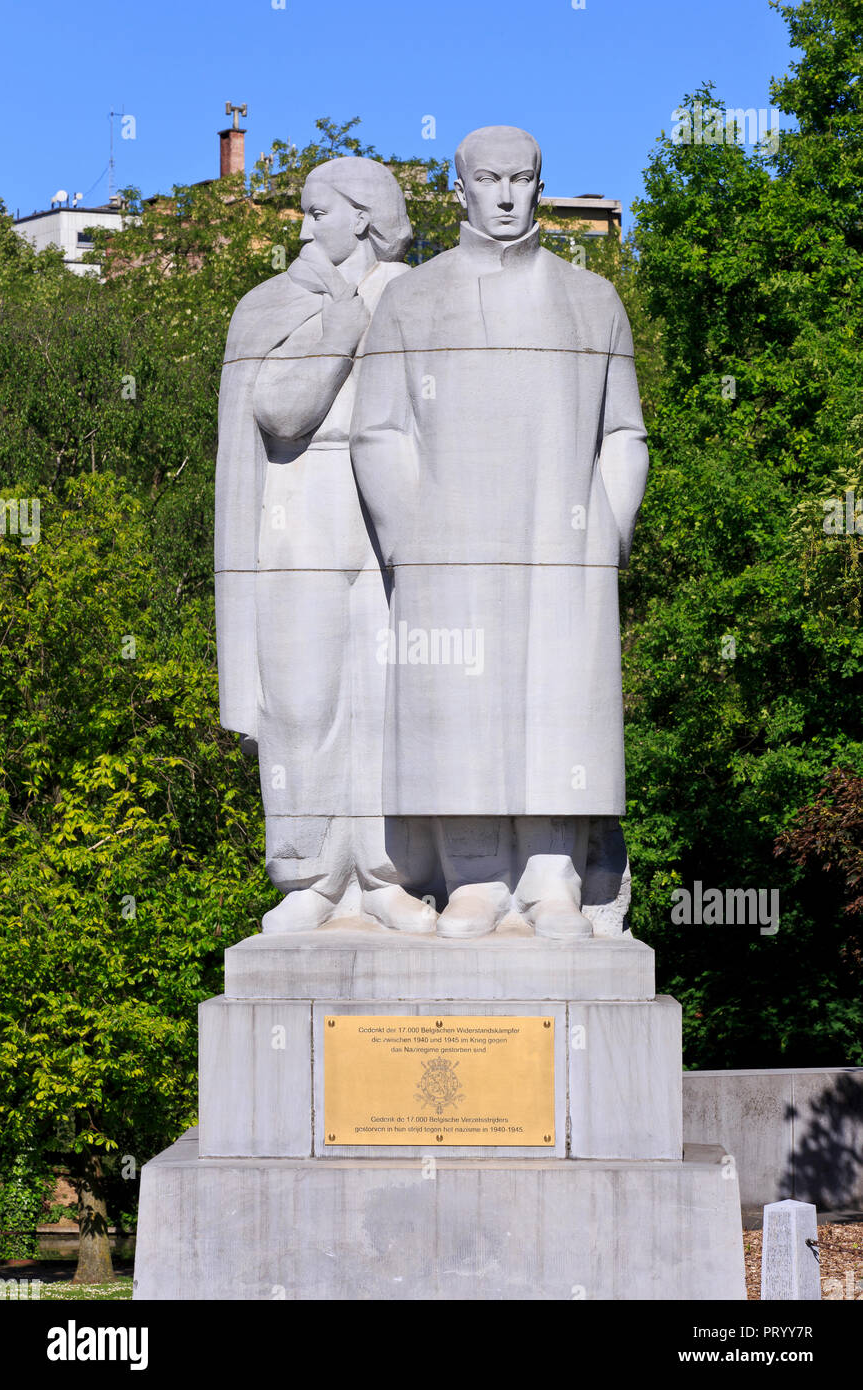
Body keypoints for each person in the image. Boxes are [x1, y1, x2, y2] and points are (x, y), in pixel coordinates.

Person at [350, 127, 649, 939]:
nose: (508, 195)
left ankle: (553, 875)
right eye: (490, 179)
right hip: (449, 544)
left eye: (522, 178)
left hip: (564, 538)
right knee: (459, 699)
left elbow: (624, 432)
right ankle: (475, 877)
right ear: (463, 189)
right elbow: (377, 431)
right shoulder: (415, 299)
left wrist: (608, 530)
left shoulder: (591, 299)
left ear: (539, 184)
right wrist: (411, 537)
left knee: (559, 702)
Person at [215, 157, 436, 934]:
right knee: (301, 700)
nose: (306, 228)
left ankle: (388, 873)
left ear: (365, 216)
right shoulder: (274, 302)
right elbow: (280, 410)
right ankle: (309, 874)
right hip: (299, 508)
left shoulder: (421, 294)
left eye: (319, 212)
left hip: (394, 510)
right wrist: (346, 316)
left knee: (391, 697)